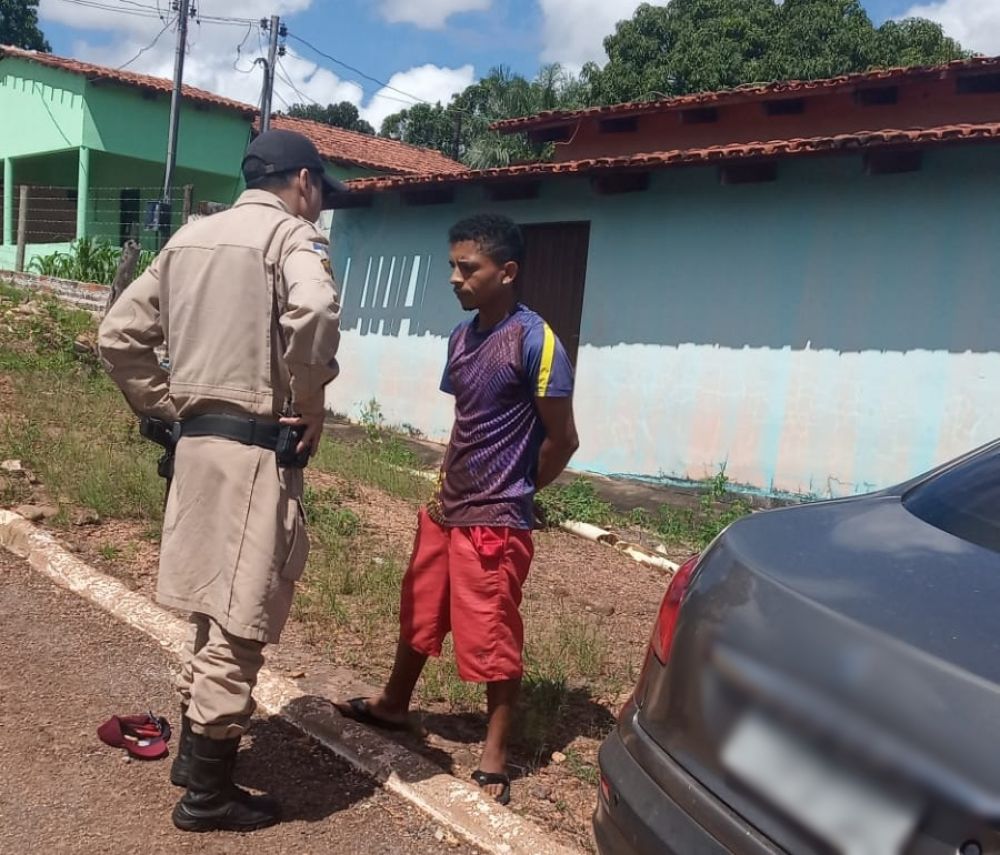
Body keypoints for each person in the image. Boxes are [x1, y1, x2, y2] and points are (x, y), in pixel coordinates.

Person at [98, 129, 343, 832]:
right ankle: (206, 796)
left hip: (197, 450)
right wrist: (311, 401)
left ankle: (190, 758)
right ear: (303, 181)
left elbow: (118, 336)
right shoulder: (290, 238)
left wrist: (167, 409)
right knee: (239, 621)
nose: (321, 206)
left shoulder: (189, 239)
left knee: (210, 606)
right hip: (254, 454)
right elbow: (315, 312)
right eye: (321, 192)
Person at [339, 213, 579, 805]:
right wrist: (446, 484)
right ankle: (394, 704)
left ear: (507, 272)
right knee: (421, 609)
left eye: (467, 268)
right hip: (445, 507)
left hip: (495, 518)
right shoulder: (461, 338)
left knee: (491, 631)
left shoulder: (536, 341)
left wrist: (520, 492)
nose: (454, 278)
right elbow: (467, 421)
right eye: (452, 266)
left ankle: (495, 754)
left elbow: (563, 439)